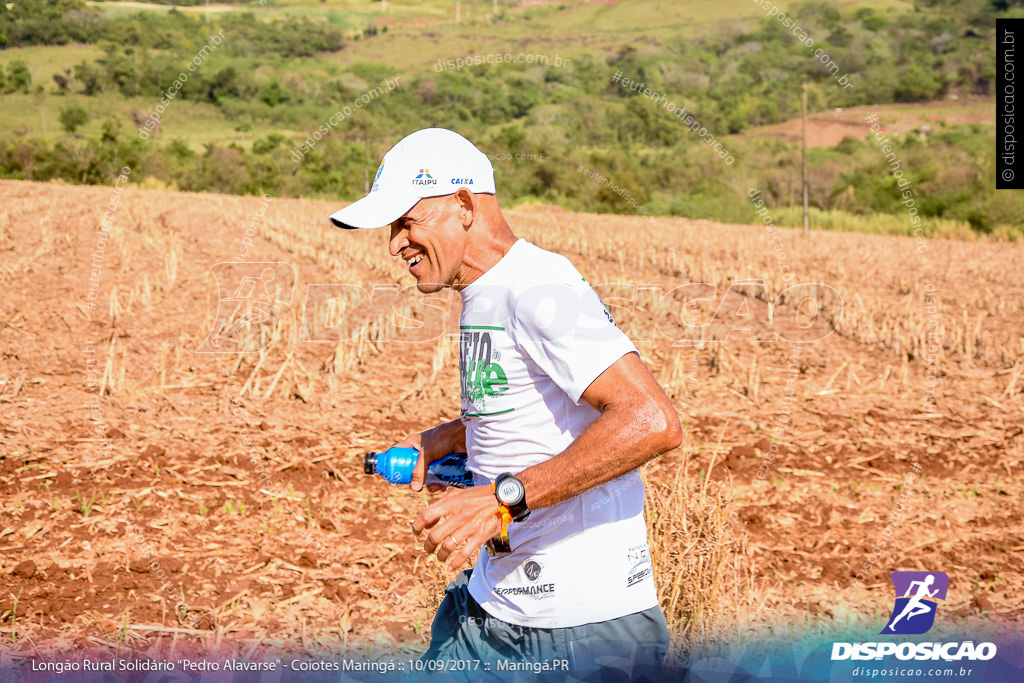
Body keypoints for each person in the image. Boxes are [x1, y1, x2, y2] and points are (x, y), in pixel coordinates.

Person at [329, 128, 682, 681]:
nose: (395, 243)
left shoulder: (540, 288)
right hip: (494, 612)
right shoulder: (485, 292)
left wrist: (501, 497)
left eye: (406, 222)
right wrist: (443, 441)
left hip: (580, 632)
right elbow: (528, 411)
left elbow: (650, 420)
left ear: (464, 205)